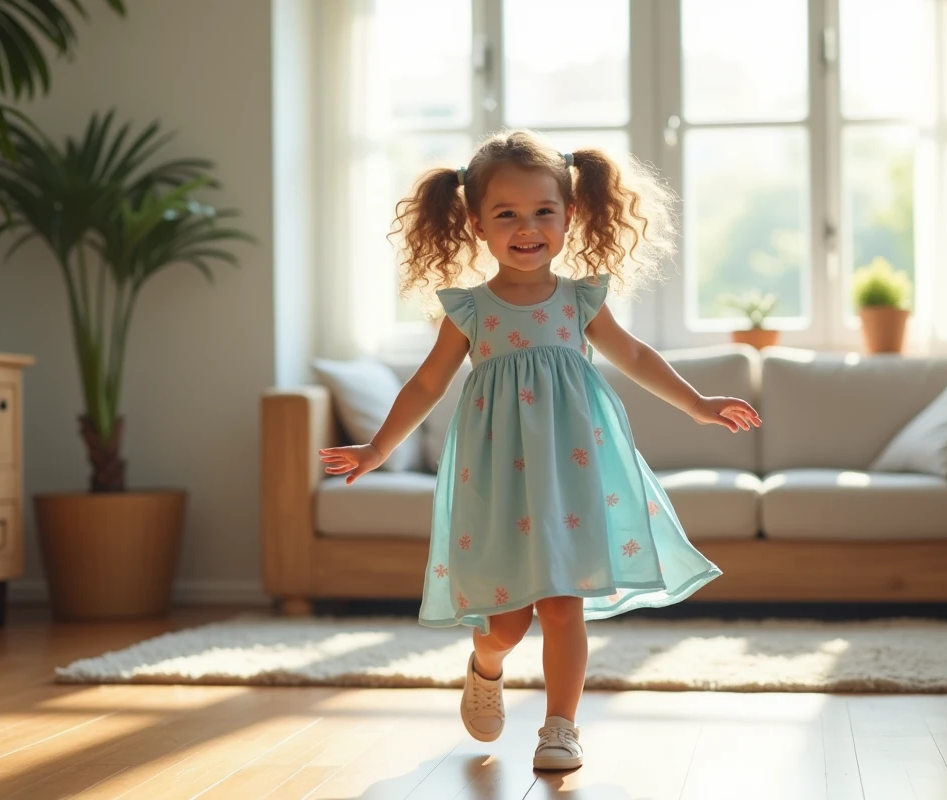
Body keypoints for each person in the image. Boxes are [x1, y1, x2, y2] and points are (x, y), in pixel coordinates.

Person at [318, 129, 760, 771]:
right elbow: (426, 382)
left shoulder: (581, 300)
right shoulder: (469, 310)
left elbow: (634, 357)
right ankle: (486, 663)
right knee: (507, 622)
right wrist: (379, 449)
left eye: (542, 212)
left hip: (571, 477)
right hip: (496, 479)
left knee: (562, 605)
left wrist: (698, 405)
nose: (527, 228)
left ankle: (560, 728)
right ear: (476, 224)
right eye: (507, 215)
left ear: (569, 215)